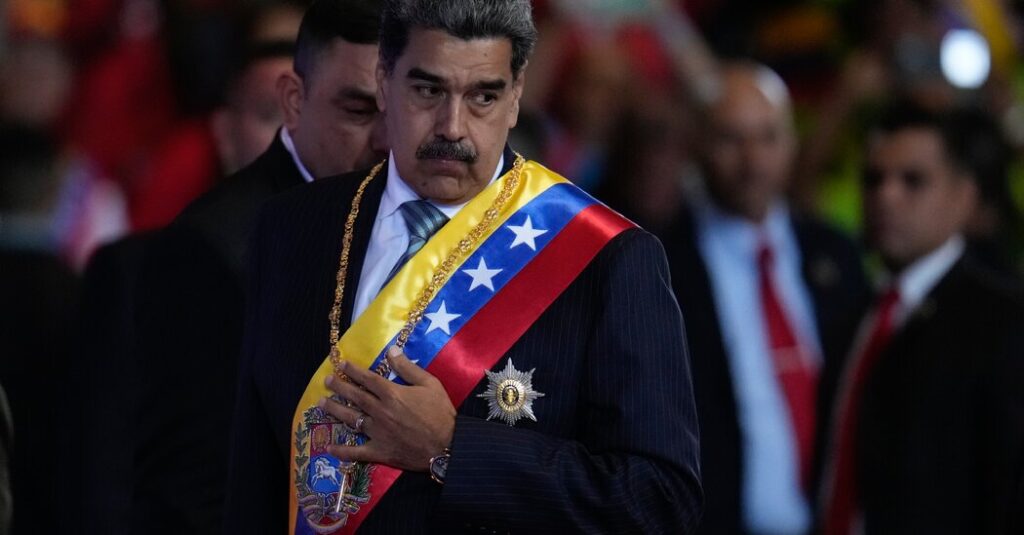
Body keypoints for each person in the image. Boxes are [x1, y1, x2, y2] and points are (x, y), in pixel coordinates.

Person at [225, 1, 703, 533]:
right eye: (428, 90)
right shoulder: (292, 227)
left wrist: (451, 449)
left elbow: (660, 501)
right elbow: (253, 479)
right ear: (384, 82)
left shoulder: (606, 258)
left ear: (516, 96)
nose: (452, 128)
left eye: (483, 96)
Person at [109, 1, 387, 533]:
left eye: (397, 111)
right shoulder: (214, 247)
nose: (385, 139)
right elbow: (192, 494)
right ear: (294, 101)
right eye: (358, 110)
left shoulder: (414, 222)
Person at [662, 62, 868, 534]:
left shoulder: (836, 255)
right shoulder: (661, 266)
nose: (753, 161)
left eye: (768, 137)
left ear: (793, 143)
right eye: (731, 139)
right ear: (698, 145)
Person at [818, 104, 1024, 535]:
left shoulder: (1004, 321)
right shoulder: (852, 315)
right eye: (873, 179)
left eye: (913, 180)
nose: (886, 196)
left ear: (964, 197)